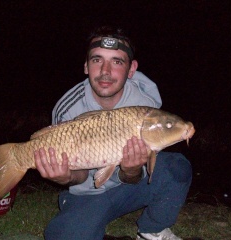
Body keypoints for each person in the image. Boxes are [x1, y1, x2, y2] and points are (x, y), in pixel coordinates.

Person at [34, 26, 192, 240]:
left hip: (130, 189)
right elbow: (80, 177)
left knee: (177, 167)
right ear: (86, 66)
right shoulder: (68, 109)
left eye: (117, 62)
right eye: (97, 60)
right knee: (64, 236)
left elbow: (137, 176)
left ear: (131, 68)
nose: (105, 71)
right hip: (87, 193)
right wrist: (65, 176)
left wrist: (131, 170)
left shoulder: (145, 105)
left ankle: (152, 229)